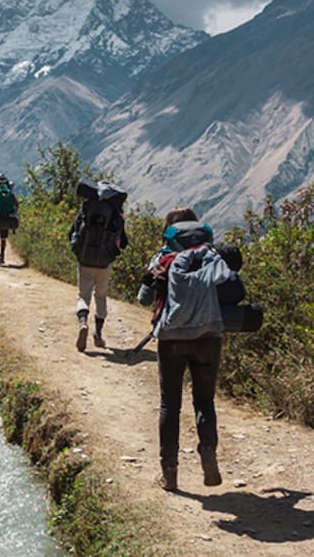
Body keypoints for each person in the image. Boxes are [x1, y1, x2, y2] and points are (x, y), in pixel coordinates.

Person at [138, 206, 233, 492]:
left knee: (170, 404)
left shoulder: (163, 258)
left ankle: (169, 473)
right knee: (204, 401)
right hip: (209, 336)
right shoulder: (211, 256)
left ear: (170, 230)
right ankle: (208, 452)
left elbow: (143, 298)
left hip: (172, 339)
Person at [69, 182, 128, 352]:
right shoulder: (115, 214)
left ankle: (83, 322)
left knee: (83, 295)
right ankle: (98, 334)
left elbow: (71, 233)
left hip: (85, 259)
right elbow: (124, 243)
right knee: (101, 296)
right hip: (104, 262)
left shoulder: (86, 208)